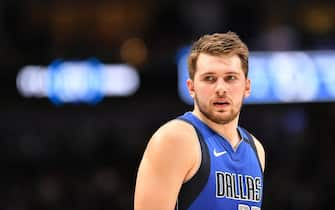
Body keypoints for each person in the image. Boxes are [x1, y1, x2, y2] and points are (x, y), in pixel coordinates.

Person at [134, 31, 265, 210]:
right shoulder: (176, 138)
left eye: (230, 78)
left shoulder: (256, 149)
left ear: (247, 87)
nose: (220, 88)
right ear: (191, 87)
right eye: (209, 78)